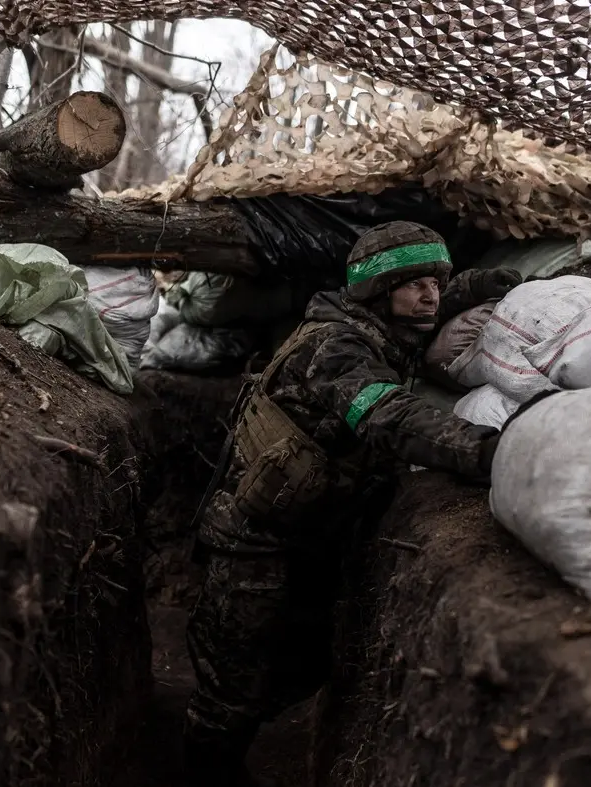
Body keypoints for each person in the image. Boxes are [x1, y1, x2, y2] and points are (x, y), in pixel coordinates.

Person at [183, 221, 523, 786]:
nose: (430, 296)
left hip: (307, 531)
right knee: (233, 685)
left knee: (307, 660)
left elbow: (442, 298)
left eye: (434, 283)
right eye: (414, 285)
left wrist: (492, 282)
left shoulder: (383, 324)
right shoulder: (338, 347)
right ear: (376, 290)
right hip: (252, 539)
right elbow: (387, 416)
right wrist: (489, 451)